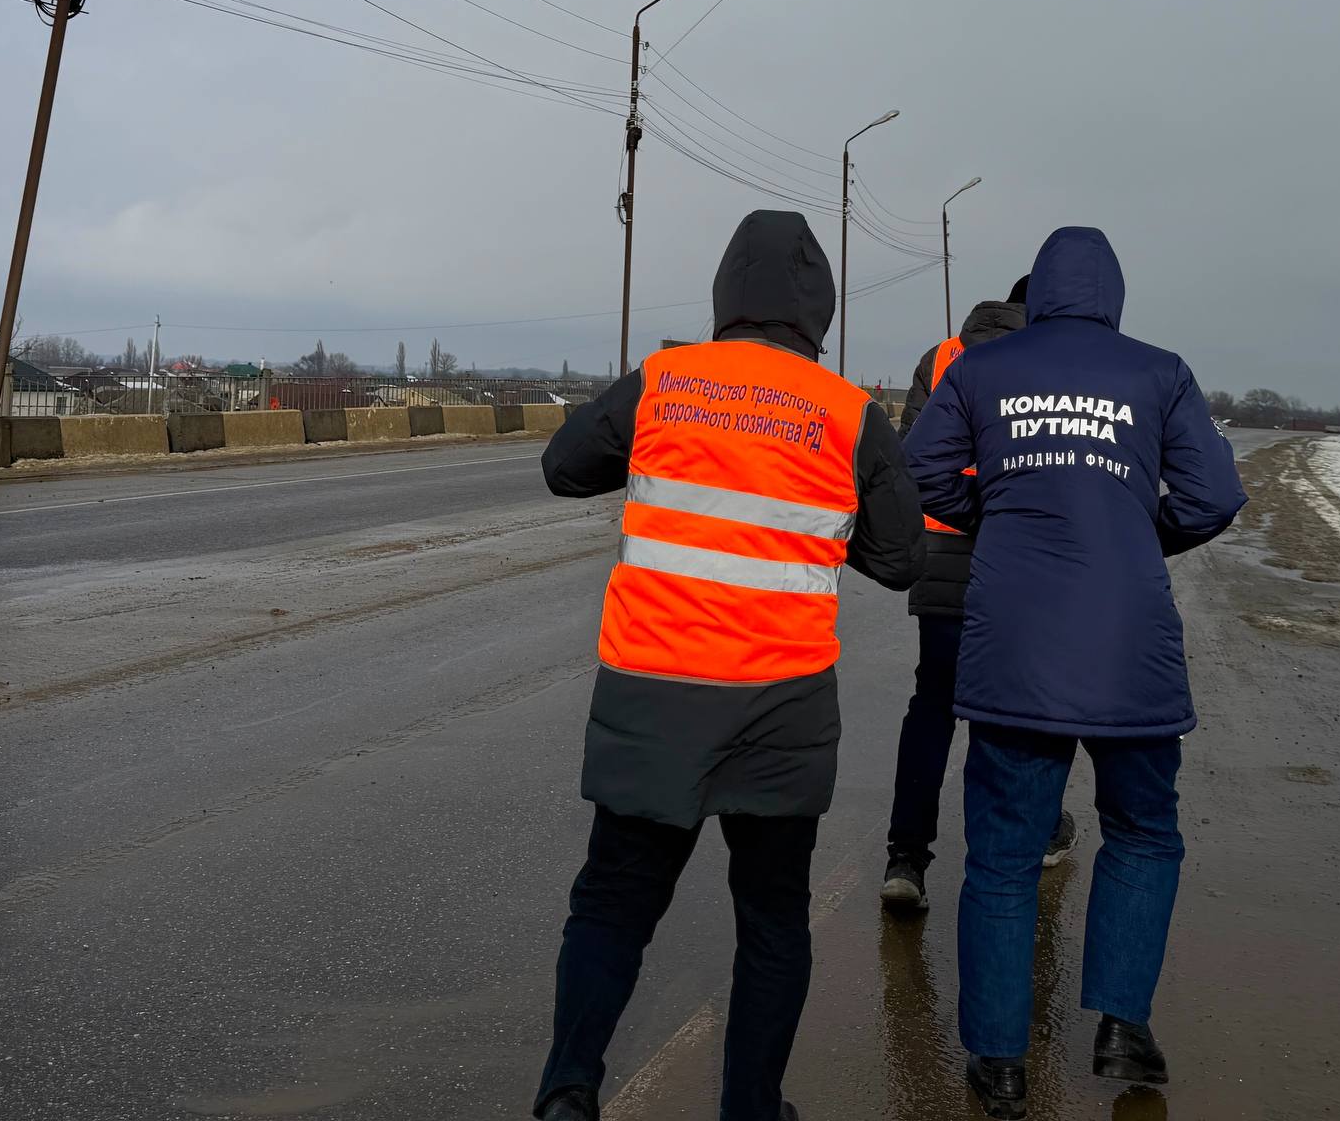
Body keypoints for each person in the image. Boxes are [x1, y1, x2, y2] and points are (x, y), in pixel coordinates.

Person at [532, 209, 924, 1121]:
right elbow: (903, 556)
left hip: (651, 695)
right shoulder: (849, 413)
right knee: (773, 921)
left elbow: (564, 466)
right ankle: (751, 1109)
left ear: (724, 294)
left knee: (614, 904)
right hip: (780, 711)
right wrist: (824, 527)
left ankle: (566, 1095)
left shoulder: (664, 383)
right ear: (816, 311)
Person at [903, 227, 1244, 1120]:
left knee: (1005, 856)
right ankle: (1123, 1025)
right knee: (1142, 831)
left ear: (1041, 291)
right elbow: (1213, 497)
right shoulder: (1159, 372)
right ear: (1113, 295)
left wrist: (1000, 508)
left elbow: (921, 469)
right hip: (1132, 643)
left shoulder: (982, 370)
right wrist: (1137, 530)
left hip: (1017, 641)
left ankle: (1000, 1062)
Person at [879, 277, 1076, 913]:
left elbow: (911, 457)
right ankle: (1032, 839)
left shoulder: (940, 358)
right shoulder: (1052, 366)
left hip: (939, 556)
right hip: (1019, 560)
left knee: (932, 703)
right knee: (1023, 707)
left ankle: (906, 858)